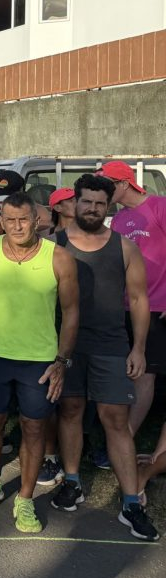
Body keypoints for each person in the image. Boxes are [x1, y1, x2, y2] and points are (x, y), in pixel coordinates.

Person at [48, 175, 158, 540]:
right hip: (67, 345)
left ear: (108, 206)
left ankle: (130, 502)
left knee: (115, 418)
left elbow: (140, 300)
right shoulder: (54, 244)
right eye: (86, 202)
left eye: (99, 203)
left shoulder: (125, 247)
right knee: (71, 411)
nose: (93, 208)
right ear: (73, 204)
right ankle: (74, 481)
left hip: (111, 343)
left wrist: (138, 348)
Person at [0, 191, 78, 533]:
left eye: (23, 220)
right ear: (0, 221)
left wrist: (61, 361)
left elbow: (72, 311)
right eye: (9, 220)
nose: (16, 227)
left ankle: (25, 498)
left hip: (39, 360)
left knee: (34, 428)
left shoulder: (59, 258)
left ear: (37, 220)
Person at [102, 160, 166, 436]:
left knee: (146, 372)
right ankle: (119, 433)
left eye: (107, 185)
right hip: (125, 307)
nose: (102, 192)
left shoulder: (159, 207)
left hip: (157, 306)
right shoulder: (117, 219)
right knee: (130, 369)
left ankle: (125, 437)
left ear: (124, 183)